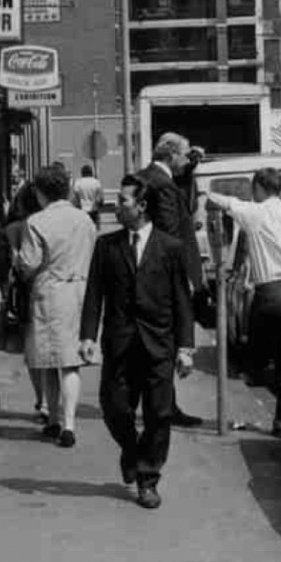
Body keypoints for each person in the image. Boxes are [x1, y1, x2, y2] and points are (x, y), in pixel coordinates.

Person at [80, 173, 194, 509]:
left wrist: (185, 348)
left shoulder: (169, 248)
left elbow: (181, 301)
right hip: (119, 343)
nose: (116, 207)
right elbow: (93, 294)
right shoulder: (107, 245)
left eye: (123, 201)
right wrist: (88, 335)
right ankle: (132, 451)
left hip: (159, 344)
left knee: (159, 414)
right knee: (114, 407)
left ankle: (147, 479)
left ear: (141, 206)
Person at [206, 168, 281, 440]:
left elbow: (219, 200)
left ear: (259, 187)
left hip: (268, 292)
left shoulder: (255, 213)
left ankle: (268, 394)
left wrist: (207, 200)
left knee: (257, 358)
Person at [16, 166, 98, 448]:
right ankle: (70, 423)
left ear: (40, 192)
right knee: (70, 361)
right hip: (81, 292)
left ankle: (53, 419)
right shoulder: (85, 220)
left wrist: (17, 259)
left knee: (47, 360)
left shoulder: (36, 221)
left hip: (50, 293)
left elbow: (29, 264)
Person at [138, 132, 204, 428]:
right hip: (166, 275)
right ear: (170, 154)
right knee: (167, 340)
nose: (186, 159)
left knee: (158, 341)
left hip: (149, 273)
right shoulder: (162, 185)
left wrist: (190, 168)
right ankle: (163, 408)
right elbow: (170, 234)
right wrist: (182, 278)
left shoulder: (147, 177)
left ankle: (165, 403)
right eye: (183, 154)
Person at [0, 181, 48, 422]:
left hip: (23, 297)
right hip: (50, 292)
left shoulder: (11, 230)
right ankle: (52, 401)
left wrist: (7, 294)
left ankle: (42, 400)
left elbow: (1, 268)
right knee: (52, 350)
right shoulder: (47, 226)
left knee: (33, 352)